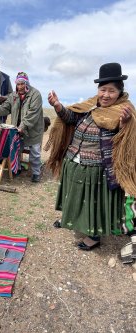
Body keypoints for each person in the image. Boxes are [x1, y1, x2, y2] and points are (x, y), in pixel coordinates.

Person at [45, 62, 136, 250]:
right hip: (74, 159)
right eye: (103, 89)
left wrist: (126, 124)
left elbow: (128, 140)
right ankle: (69, 219)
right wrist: (57, 105)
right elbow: (71, 118)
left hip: (97, 167)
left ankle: (94, 236)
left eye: (111, 91)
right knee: (74, 195)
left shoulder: (124, 111)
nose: (106, 95)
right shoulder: (91, 105)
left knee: (93, 201)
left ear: (119, 92)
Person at [0, 71, 44, 182]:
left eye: (22, 84)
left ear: (27, 83)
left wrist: (22, 126)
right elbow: (6, 107)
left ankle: (36, 172)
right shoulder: (13, 96)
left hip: (33, 130)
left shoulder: (35, 94)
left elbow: (32, 114)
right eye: (18, 84)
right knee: (15, 150)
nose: (20, 87)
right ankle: (17, 168)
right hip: (17, 129)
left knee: (35, 153)